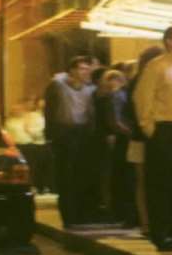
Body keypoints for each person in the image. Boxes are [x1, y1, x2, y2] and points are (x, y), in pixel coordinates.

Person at [133, 23, 172, 251]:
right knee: (161, 185)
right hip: (164, 129)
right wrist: (150, 129)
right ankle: (162, 234)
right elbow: (142, 98)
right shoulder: (156, 66)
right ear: (169, 41)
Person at [43, 55, 96, 227]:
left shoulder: (89, 89)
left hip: (82, 133)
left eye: (88, 69)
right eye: (81, 68)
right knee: (65, 174)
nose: (86, 72)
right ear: (72, 70)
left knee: (80, 174)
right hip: (64, 132)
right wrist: (51, 135)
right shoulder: (58, 86)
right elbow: (49, 111)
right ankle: (68, 215)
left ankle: (80, 213)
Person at [125, 45, 164, 236]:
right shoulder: (142, 81)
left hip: (138, 138)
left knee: (142, 182)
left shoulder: (134, 81)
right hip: (144, 138)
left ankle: (146, 222)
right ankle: (148, 222)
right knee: (147, 182)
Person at [96, 68, 135, 226]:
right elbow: (116, 121)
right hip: (121, 138)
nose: (114, 82)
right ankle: (121, 211)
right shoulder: (117, 95)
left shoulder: (104, 95)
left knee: (115, 176)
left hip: (114, 138)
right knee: (121, 176)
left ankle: (116, 209)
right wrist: (128, 132)